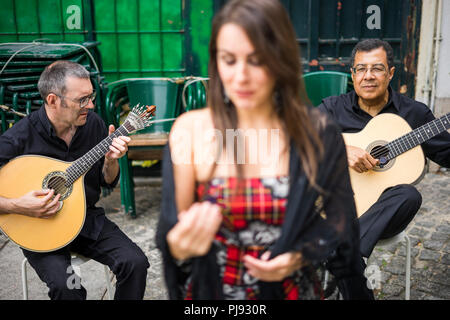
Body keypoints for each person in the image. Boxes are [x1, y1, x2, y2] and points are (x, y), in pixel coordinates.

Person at [156, 0, 364, 300]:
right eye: (229, 60)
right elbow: (170, 234)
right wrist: (180, 244)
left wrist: (301, 255)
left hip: (292, 291)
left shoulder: (315, 131)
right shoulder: (191, 130)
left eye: (256, 60)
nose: (241, 76)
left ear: (281, 60)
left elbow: (340, 222)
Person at [0, 60, 149, 300]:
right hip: (39, 227)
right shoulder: (19, 137)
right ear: (52, 100)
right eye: (82, 100)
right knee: (66, 288)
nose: (90, 105)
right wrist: (18, 205)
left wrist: (111, 161)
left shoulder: (93, 125)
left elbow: (107, 182)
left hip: (85, 217)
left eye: (91, 97)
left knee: (135, 263)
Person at [318, 39, 450, 298]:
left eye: (377, 68)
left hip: (383, 216)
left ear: (390, 73)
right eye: (361, 69)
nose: (368, 76)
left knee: (410, 195)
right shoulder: (332, 108)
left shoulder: (415, 114)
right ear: (352, 74)